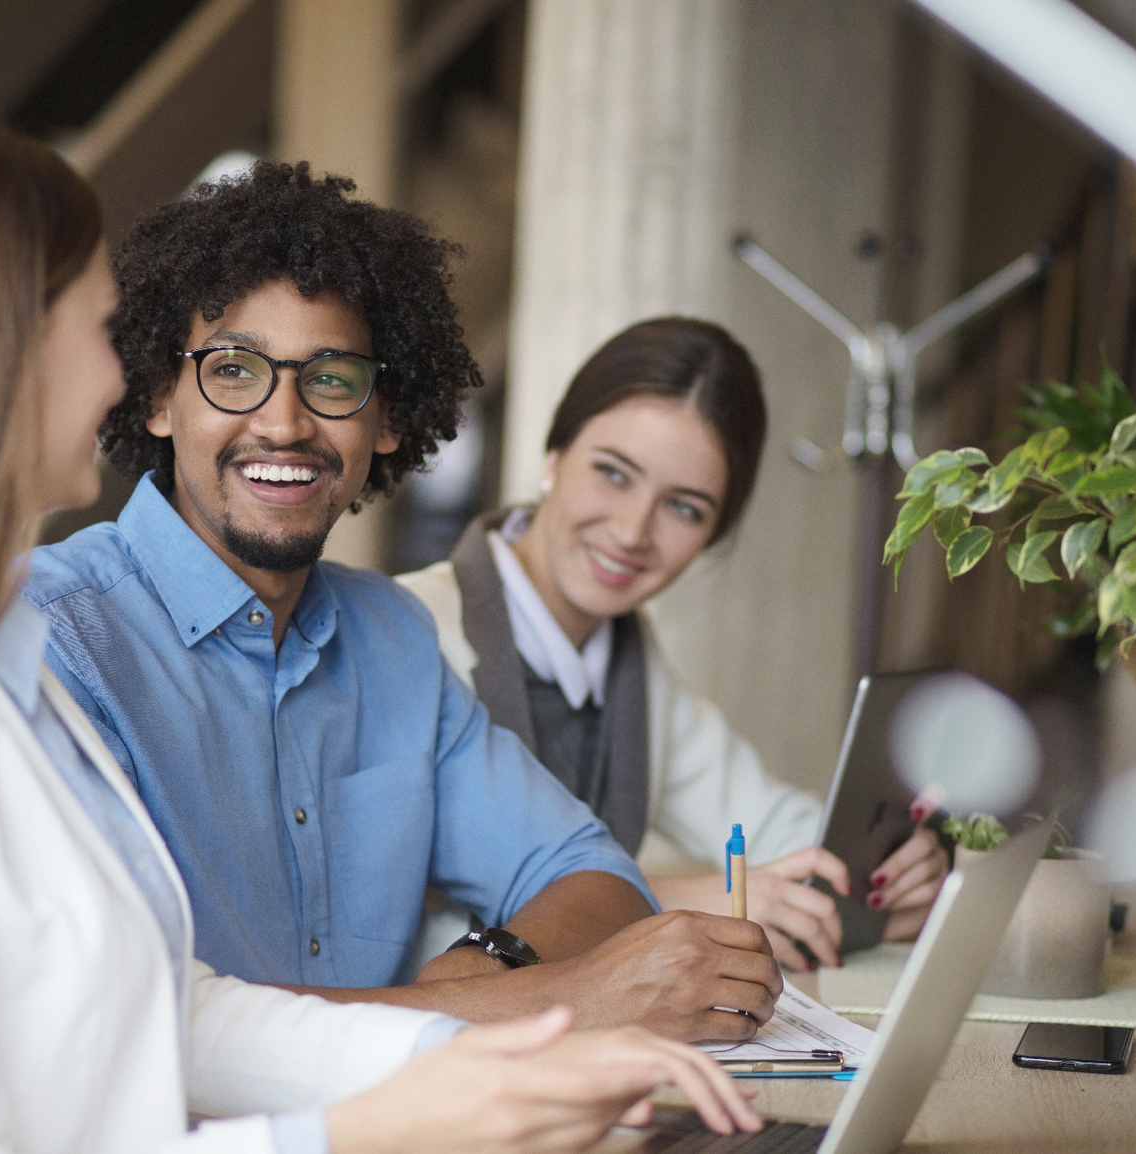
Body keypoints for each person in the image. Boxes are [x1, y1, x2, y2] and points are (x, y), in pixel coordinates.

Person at [0, 117, 762, 1154]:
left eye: (329, 379)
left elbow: (172, 1009)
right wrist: (368, 1125)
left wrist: (471, 1060)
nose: (111, 373)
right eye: (95, 331)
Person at [23, 161, 782, 1040]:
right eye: (234, 371)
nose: (282, 423)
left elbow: (591, 872)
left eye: (334, 379)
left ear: (387, 419)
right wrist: (525, 1001)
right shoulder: (55, 640)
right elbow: (133, 1026)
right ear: (159, 395)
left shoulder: (393, 641)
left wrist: (489, 965)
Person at [397, 318, 949, 973]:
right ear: (553, 456)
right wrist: (670, 900)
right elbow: (393, 900)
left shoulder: (628, 662)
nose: (632, 531)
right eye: (612, 472)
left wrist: (896, 862)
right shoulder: (405, 628)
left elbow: (776, 828)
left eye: (684, 508)